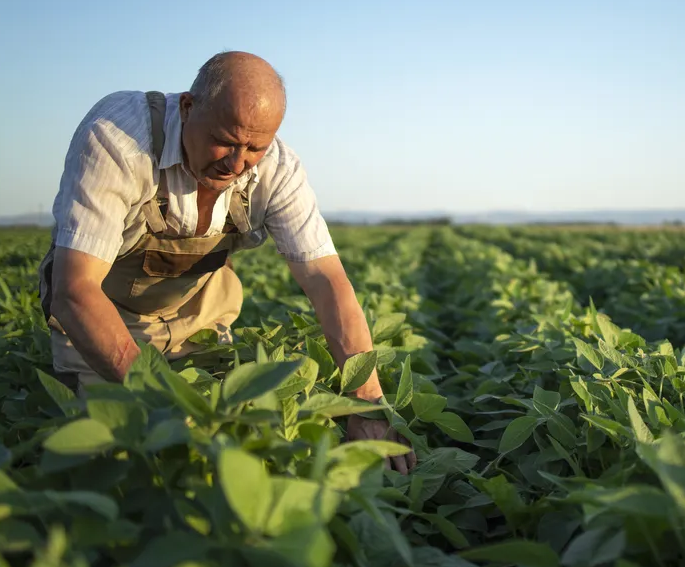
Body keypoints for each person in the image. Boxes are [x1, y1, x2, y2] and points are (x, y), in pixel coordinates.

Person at [37, 51, 416, 474]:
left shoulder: (278, 169)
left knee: (239, 448)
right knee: (122, 456)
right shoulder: (119, 137)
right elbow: (74, 292)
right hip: (102, 321)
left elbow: (326, 282)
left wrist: (364, 405)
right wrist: (168, 404)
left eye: (255, 147)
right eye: (226, 140)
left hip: (199, 317)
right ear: (187, 107)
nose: (237, 163)